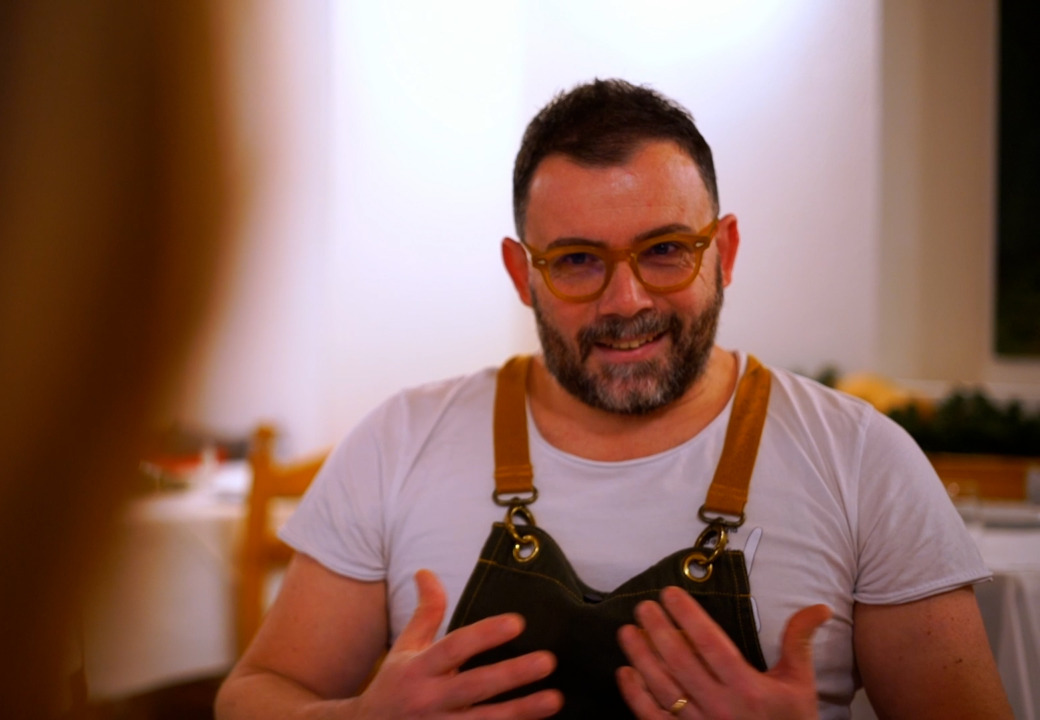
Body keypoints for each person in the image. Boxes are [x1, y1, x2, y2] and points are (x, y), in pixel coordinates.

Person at [215, 79, 1011, 719]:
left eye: (665, 250)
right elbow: (254, 694)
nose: (625, 301)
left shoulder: (862, 461)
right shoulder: (400, 441)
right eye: (577, 261)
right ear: (522, 273)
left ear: (724, 252)